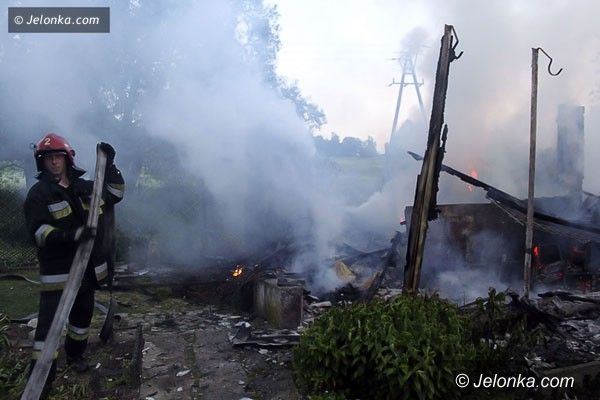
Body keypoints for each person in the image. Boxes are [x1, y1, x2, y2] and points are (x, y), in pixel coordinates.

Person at [23, 133, 124, 393]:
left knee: (82, 317)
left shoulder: (86, 188)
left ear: (67, 159)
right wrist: (73, 235)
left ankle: (76, 355)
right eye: (48, 158)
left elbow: (115, 193)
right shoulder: (39, 194)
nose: (54, 162)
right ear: (42, 162)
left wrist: (110, 166)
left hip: (87, 271)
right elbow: (39, 233)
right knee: (49, 328)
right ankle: (41, 379)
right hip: (59, 272)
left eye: (58, 157)